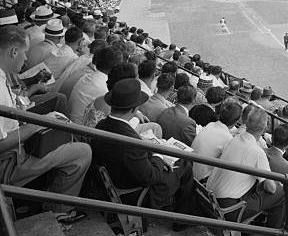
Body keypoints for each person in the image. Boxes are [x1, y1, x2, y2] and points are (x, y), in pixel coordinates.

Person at [0, 25, 92, 220]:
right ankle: (58, 211)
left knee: (58, 112)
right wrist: (38, 124)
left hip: (17, 142)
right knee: (83, 152)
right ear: (14, 51)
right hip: (10, 161)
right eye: (24, 53)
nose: (25, 58)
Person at [91, 79, 197, 221]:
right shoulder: (129, 141)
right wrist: (158, 155)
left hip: (116, 178)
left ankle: (180, 210)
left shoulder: (102, 125)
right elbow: (149, 177)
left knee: (175, 163)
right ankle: (184, 217)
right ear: (134, 109)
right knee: (184, 164)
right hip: (133, 192)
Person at [206, 107, 286, 236]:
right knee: (282, 193)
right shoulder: (257, 152)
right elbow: (271, 189)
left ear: (246, 123)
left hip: (210, 197)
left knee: (262, 184)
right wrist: (274, 183)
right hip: (228, 209)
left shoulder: (235, 138)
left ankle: (262, 229)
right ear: (264, 129)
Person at [191, 98, 242, 182]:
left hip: (191, 171)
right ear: (236, 121)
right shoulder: (228, 138)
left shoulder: (211, 125)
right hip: (200, 179)